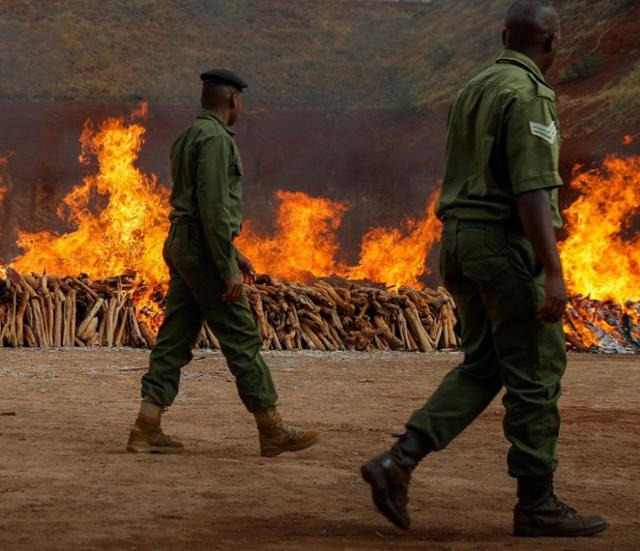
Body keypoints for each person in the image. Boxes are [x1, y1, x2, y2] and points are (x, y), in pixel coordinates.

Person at [361, 0, 607, 538]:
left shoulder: (475, 87)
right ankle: (537, 504)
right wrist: (554, 270)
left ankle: (398, 461)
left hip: (458, 242)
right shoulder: (530, 94)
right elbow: (533, 190)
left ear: (502, 36)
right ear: (550, 44)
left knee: (484, 365)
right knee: (536, 375)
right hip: (502, 247)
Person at [126, 69, 319, 458]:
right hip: (202, 250)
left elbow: (196, 203)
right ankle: (271, 427)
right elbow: (213, 207)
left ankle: (146, 427)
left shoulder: (188, 135)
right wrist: (226, 266)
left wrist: (235, 253)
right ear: (232, 99)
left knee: (176, 337)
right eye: (241, 100)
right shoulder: (215, 139)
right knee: (241, 337)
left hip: (183, 244)